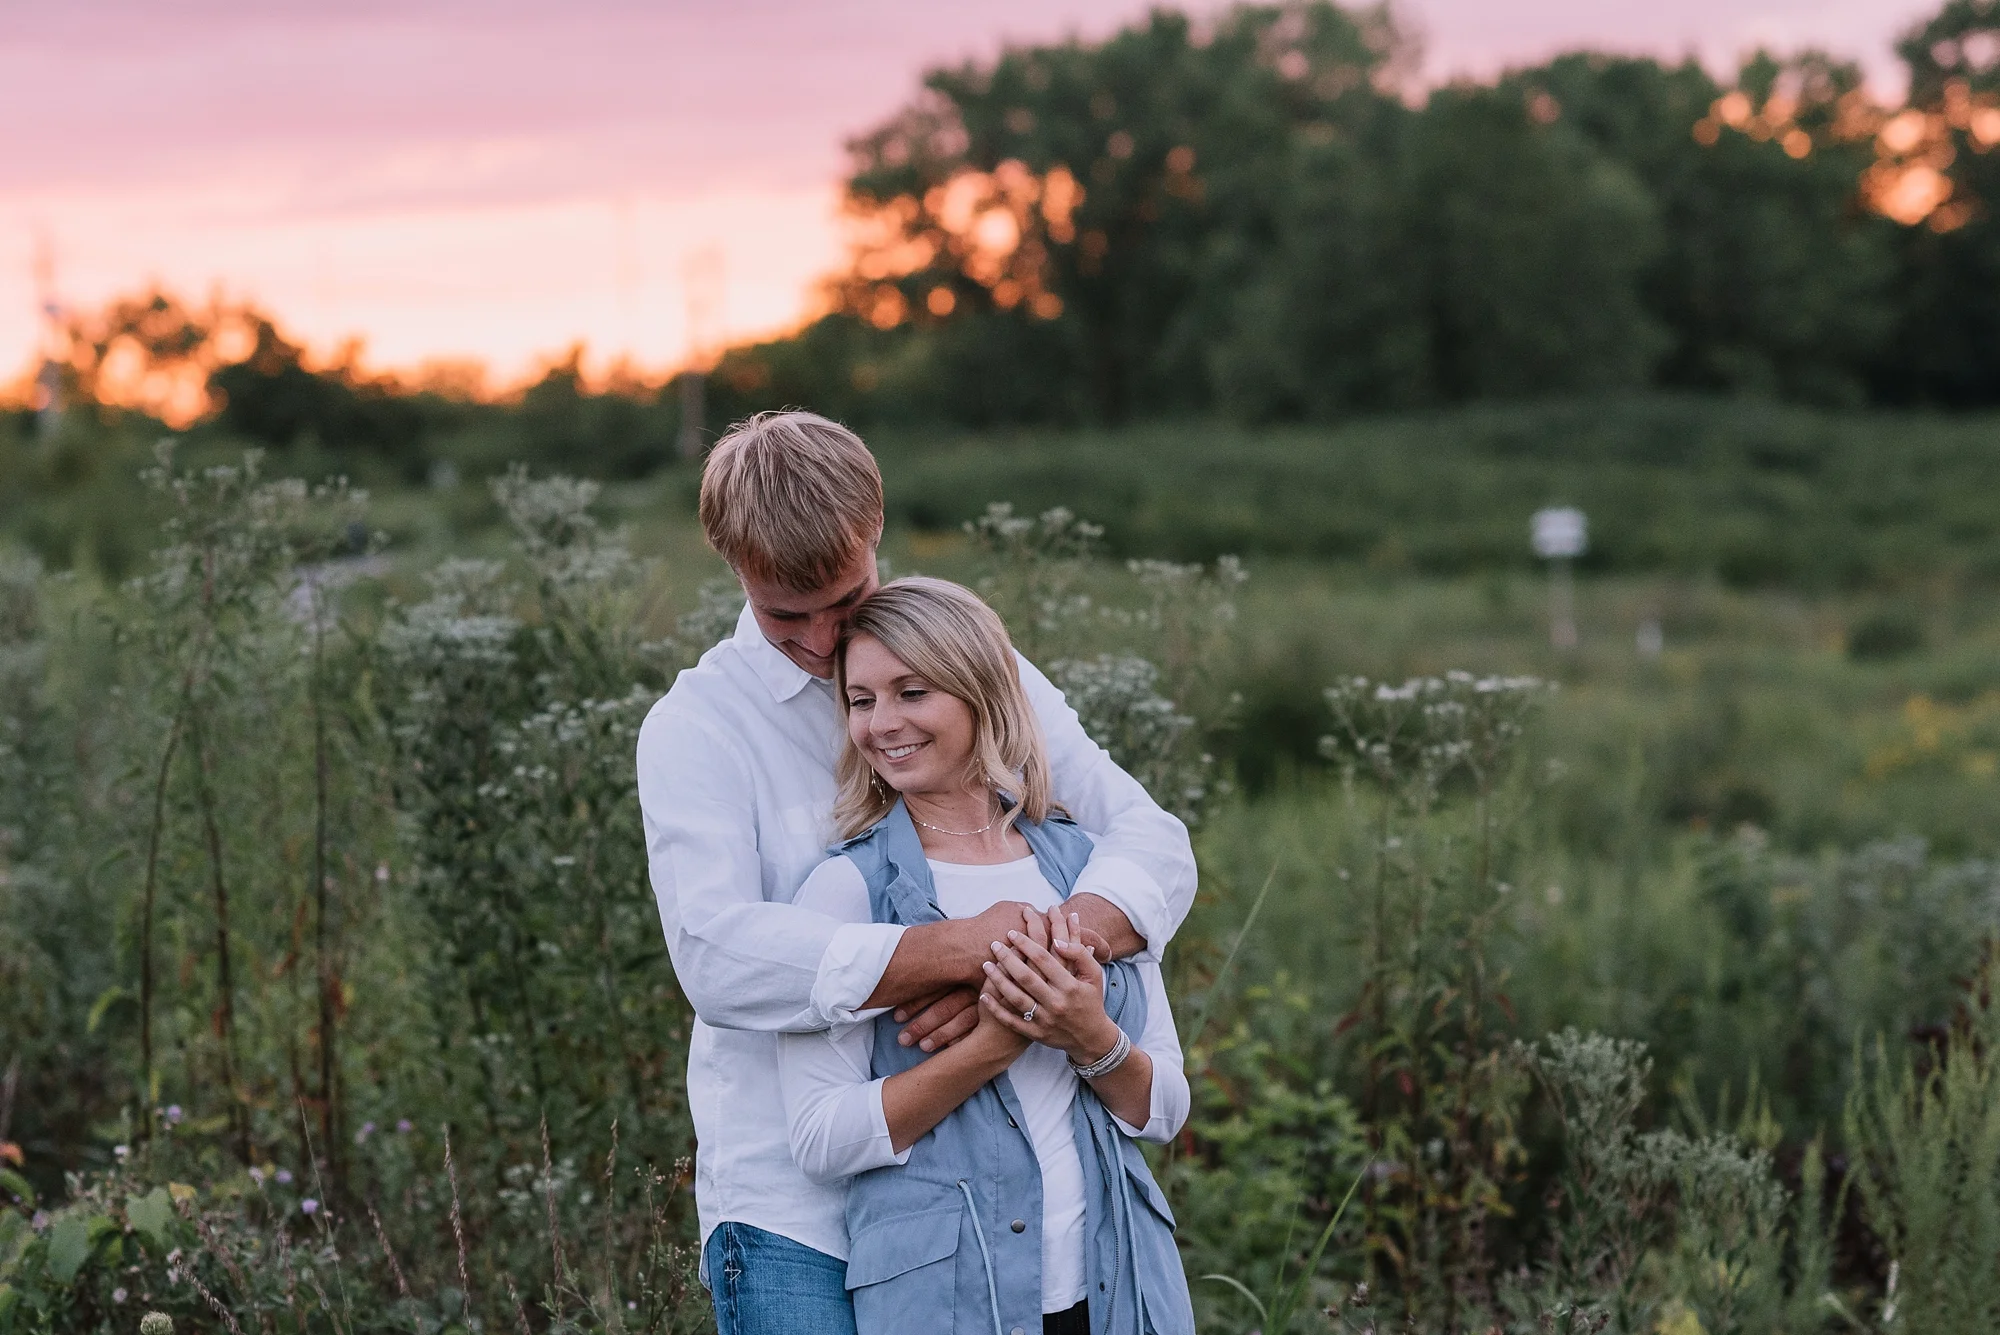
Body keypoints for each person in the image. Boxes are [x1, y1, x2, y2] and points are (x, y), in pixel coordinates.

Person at [634, 411, 1197, 1334]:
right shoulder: (697, 726)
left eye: (845, 600)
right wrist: (958, 949)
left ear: (875, 536)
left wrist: (1022, 970)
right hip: (790, 1210)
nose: (821, 641)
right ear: (731, 565)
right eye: (786, 614)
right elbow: (714, 952)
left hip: (991, 1206)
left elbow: (1150, 837)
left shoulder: (979, 671)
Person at [777, 577, 1196, 1335]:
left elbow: (1164, 1107)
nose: (882, 724)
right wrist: (994, 1044)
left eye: (912, 692)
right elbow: (820, 1136)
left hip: (1118, 1287)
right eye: (861, 700)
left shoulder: (1086, 868)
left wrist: (1089, 1036)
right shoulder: (844, 889)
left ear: (979, 691)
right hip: (944, 1303)